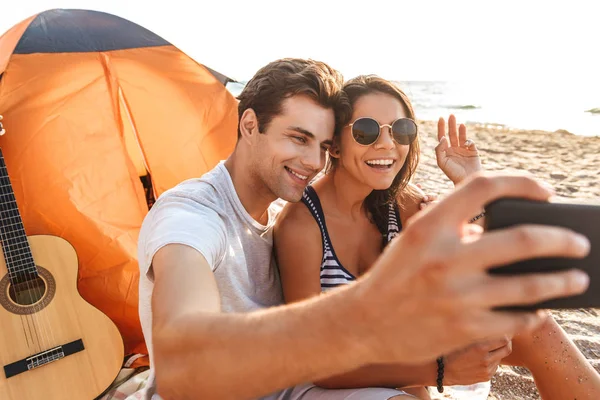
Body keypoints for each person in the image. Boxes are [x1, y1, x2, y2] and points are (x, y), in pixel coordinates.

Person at [136, 58, 591, 400]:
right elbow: (182, 354)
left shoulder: (287, 205)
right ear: (248, 125)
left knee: (533, 324)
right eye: (297, 138)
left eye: (321, 143)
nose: (312, 161)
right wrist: (425, 360)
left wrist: (470, 188)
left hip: (299, 383)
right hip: (285, 388)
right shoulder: (191, 218)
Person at [273, 75, 600, 399]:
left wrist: (469, 183)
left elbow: (482, 268)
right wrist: (441, 370)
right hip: (323, 379)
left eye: (401, 130)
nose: (387, 144)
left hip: (398, 361)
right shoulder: (302, 224)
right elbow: (311, 359)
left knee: (535, 327)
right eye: (366, 130)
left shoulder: (399, 202)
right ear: (336, 146)